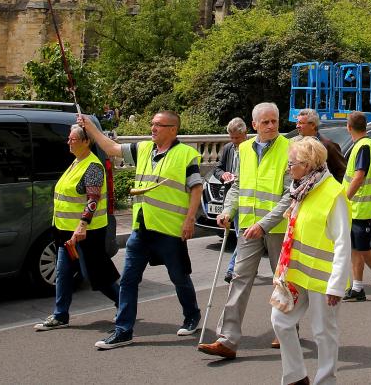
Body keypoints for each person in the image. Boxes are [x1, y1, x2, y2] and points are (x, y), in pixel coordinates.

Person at [77, 110, 204, 350]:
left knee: (179, 277)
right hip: (141, 228)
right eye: (152, 124)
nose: (152, 128)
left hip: (169, 229)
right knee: (128, 280)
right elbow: (112, 148)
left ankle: (192, 314)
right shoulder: (144, 149)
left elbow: (196, 188)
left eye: (158, 125)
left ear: (173, 129)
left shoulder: (186, 154)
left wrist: (189, 220)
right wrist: (90, 128)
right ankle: (124, 330)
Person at [199, 102, 294, 357]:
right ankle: (227, 339)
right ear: (254, 125)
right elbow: (239, 186)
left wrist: (263, 225)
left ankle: (286, 330)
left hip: (276, 228)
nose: (272, 125)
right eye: (266, 122)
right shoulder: (244, 149)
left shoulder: (290, 148)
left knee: (282, 281)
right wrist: (227, 211)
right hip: (247, 227)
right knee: (239, 279)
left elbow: (290, 194)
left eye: (274, 120)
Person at [270, 137, 351, 385]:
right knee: (280, 321)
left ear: (307, 165)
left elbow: (342, 243)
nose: (288, 168)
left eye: (292, 163)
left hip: (323, 280)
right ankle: (296, 376)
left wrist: (336, 286)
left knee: (323, 333)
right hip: (296, 274)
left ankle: (325, 380)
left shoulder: (332, 193)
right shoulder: (301, 188)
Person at [34, 124, 120, 331]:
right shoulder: (76, 162)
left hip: (86, 233)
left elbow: (93, 200)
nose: (68, 142)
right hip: (65, 231)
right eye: (69, 139)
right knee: (62, 272)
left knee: (95, 274)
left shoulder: (93, 167)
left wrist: (82, 226)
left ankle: (124, 304)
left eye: (73, 139)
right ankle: (60, 315)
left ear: (86, 141)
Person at [342, 111, 371, 302]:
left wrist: (344, 198)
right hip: (356, 207)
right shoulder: (360, 145)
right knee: (355, 248)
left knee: (362, 247)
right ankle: (358, 288)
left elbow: (359, 176)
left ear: (348, 127)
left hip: (364, 207)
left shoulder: (363, 146)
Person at [218, 117, 248, 283]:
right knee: (241, 236)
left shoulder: (252, 148)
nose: (234, 141)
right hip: (233, 196)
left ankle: (232, 269)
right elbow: (218, 168)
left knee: (242, 236)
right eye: (231, 138)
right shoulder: (228, 148)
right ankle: (242, 266)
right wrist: (223, 175)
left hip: (247, 198)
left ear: (245, 133)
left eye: (237, 137)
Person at [294, 109, 346, 182]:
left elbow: (341, 173)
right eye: (297, 123)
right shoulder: (297, 144)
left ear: (312, 125)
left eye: (301, 123)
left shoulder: (328, 146)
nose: (297, 126)